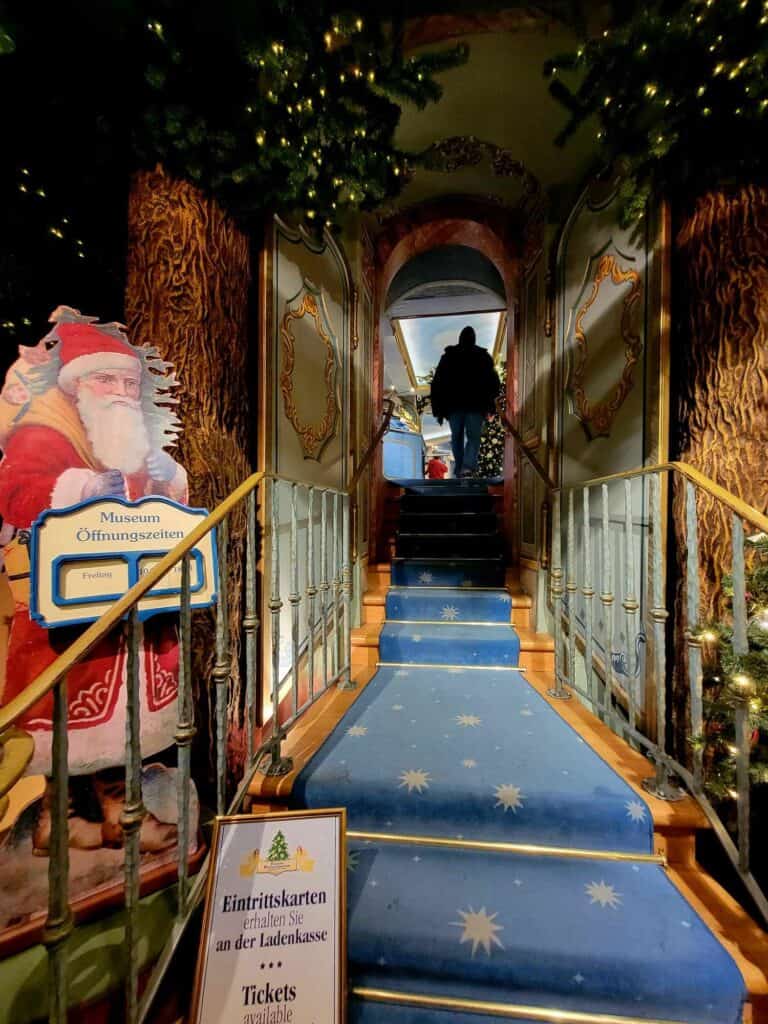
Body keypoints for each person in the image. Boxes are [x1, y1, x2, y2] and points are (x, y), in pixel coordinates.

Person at [0, 307, 188, 852]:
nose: (124, 391)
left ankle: (100, 817)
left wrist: (164, 478)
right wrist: (85, 488)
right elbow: (18, 492)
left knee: (111, 720)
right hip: (65, 599)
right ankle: (77, 820)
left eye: (130, 382)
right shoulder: (46, 430)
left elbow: (151, 496)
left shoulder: (123, 436)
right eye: (111, 380)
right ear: (82, 381)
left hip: (127, 594)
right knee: (72, 715)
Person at [430, 325, 500, 478]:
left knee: (457, 437)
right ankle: (467, 468)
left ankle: (461, 467)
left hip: (454, 406)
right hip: (476, 405)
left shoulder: (448, 357)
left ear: (459, 338)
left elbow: (438, 384)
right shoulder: (483, 357)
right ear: (474, 339)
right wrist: (490, 407)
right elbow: (493, 383)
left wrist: (439, 410)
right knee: (473, 436)